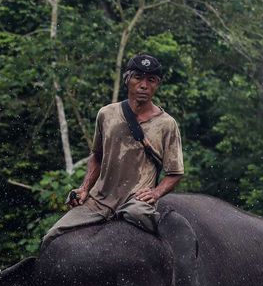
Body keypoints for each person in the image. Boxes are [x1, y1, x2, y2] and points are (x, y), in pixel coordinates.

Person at [43, 54, 185, 245]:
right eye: (138, 77)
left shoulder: (167, 124)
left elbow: (175, 173)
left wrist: (156, 193)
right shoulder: (106, 114)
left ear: (157, 84)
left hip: (136, 201)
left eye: (150, 80)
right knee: (51, 236)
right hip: (100, 200)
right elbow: (97, 156)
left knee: (145, 222)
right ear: (127, 79)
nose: (143, 85)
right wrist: (84, 189)